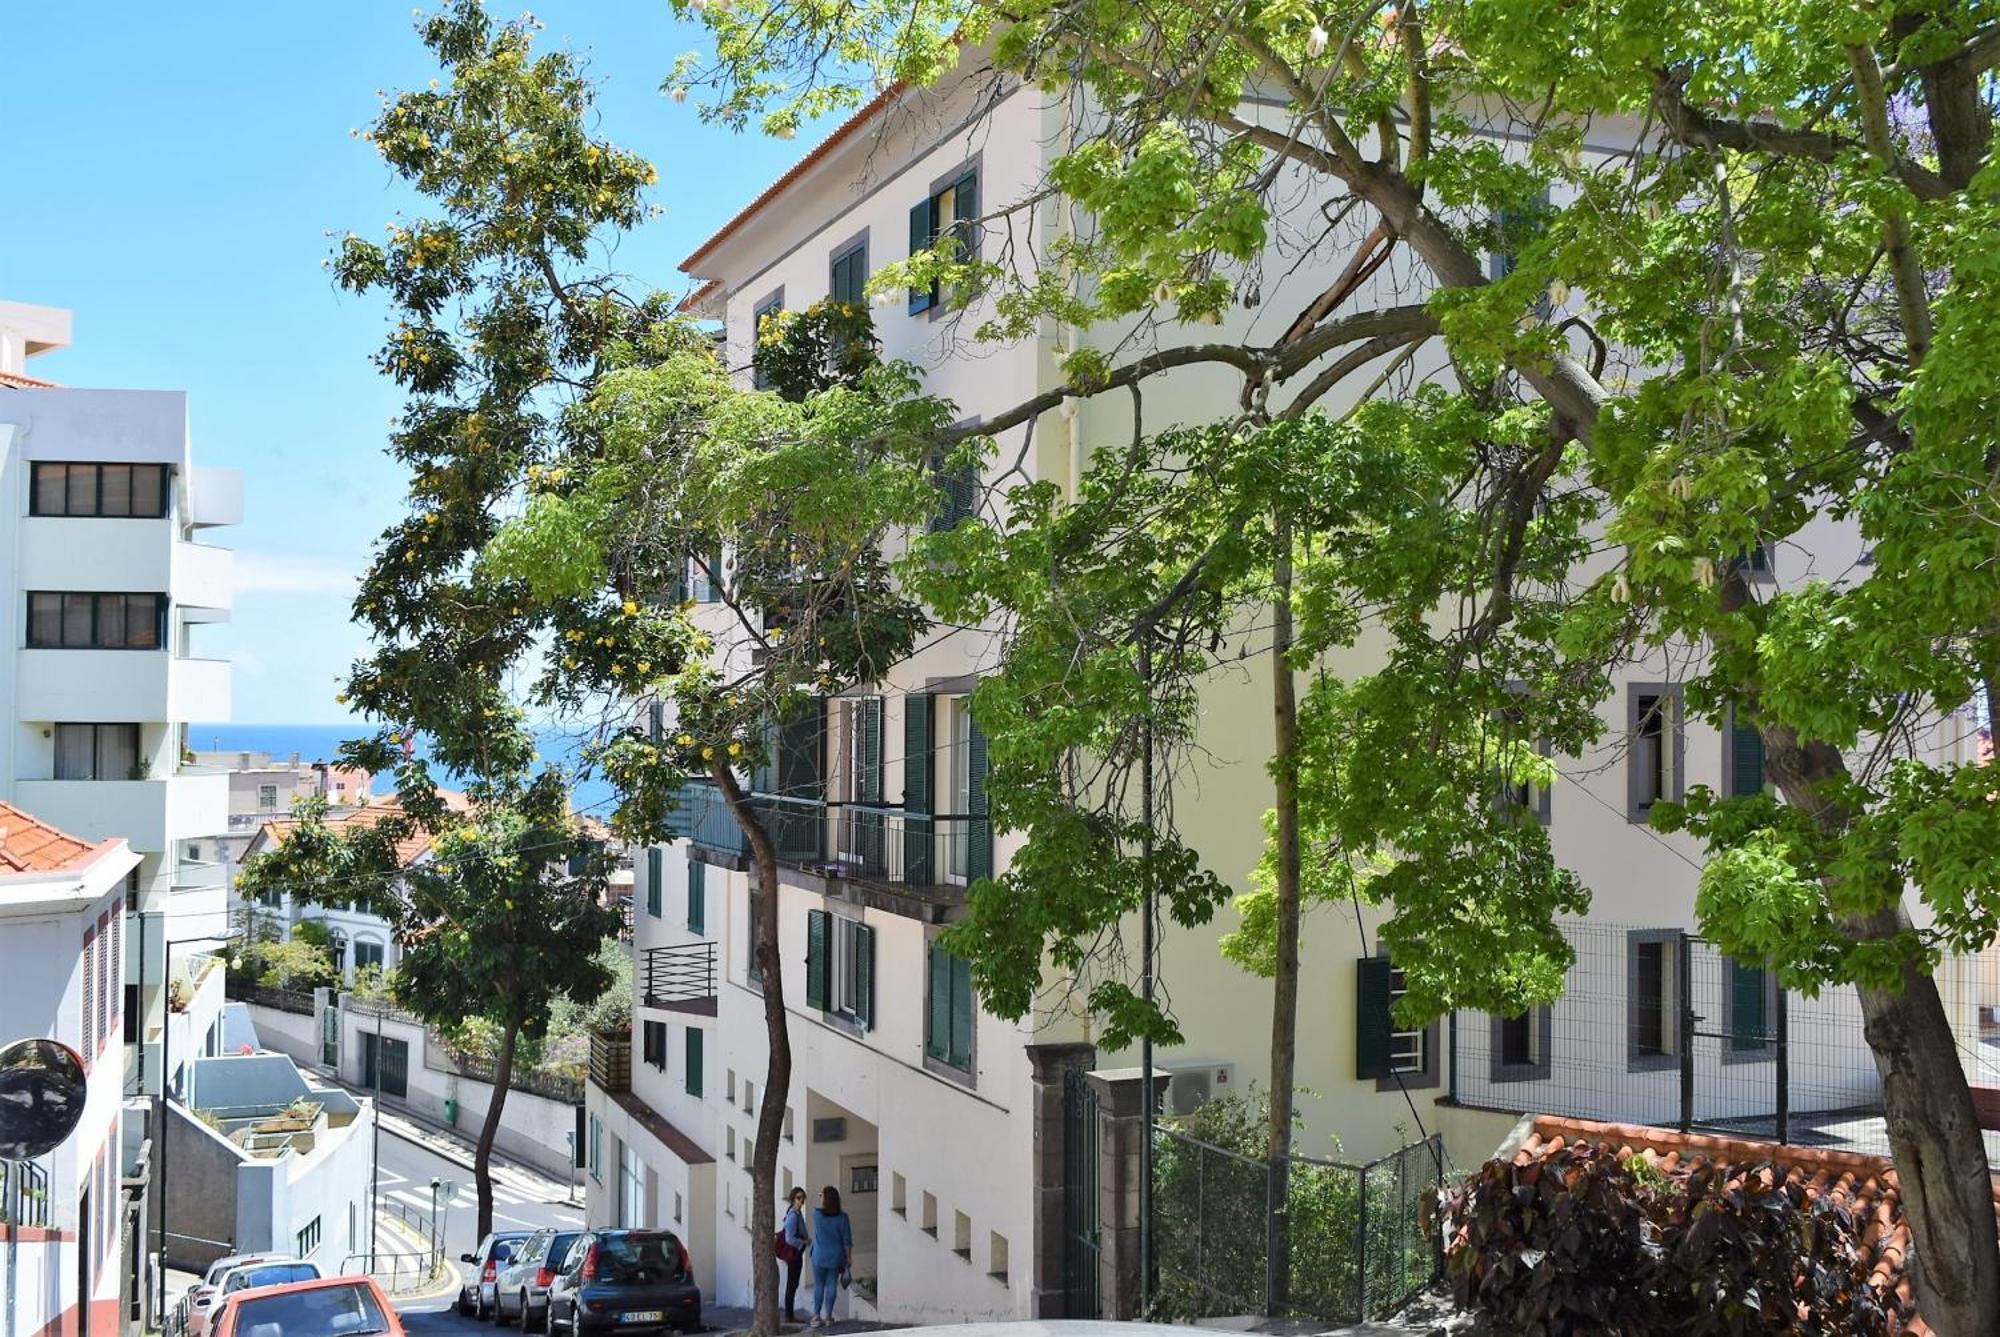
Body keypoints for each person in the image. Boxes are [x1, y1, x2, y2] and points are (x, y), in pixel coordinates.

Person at [808, 1185, 852, 1327]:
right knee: (832, 1284)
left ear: (825, 1200)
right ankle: (828, 1317)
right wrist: (848, 1257)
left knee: (819, 1285)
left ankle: (816, 1316)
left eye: (822, 1195)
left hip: (819, 1255)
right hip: (836, 1256)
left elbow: (819, 1207)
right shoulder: (843, 1218)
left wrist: (821, 1198)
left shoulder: (816, 1215)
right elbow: (847, 1240)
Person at [781, 1187, 811, 1323]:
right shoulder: (793, 1215)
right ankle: (789, 1316)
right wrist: (803, 1242)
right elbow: (789, 1238)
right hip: (794, 1253)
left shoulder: (797, 1213)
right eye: (799, 1198)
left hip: (796, 1253)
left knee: (793, 1284)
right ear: (793, 1199)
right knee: (792, 1284)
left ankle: (789, 1315)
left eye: (803, 1198)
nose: (801, 1201)